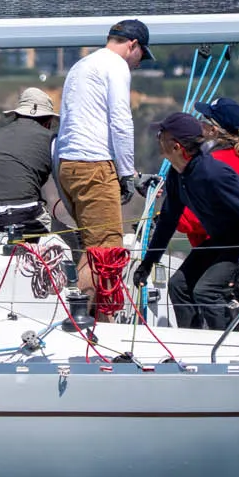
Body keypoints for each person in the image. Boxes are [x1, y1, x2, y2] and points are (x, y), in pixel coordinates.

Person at [135, 112, 239, 330]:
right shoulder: (177, 174)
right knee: (178, 285)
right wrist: (148, 262)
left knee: (207, 291)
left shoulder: (213, 173)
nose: (158, 137)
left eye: (162, 134)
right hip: (225, 240)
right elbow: (168, 221)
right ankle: (194, 342)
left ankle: (225, 349)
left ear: (177, 145)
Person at [53, 19, 153, 313]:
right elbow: (121, 122)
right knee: (106, 249)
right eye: (141, 57)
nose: (139, 64)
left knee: (90, 245)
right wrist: (126, 174)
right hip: (94, 165)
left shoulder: (81, 65)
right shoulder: (116, 65)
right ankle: (97, 325)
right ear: (132, 45)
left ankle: (87, 317)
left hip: (69, 164)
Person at [176, 97, 239, 247]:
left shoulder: (214, 164)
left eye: (204, 120)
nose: (199, 124)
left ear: (213, 130)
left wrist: (164, 217)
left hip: (234, 249)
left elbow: (197, 215)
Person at [0, 87, 59, 235]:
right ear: (47, 121)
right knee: (74, 238)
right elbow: (64, 183)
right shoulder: (50, 139)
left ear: (17, 116)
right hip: (23, 218)